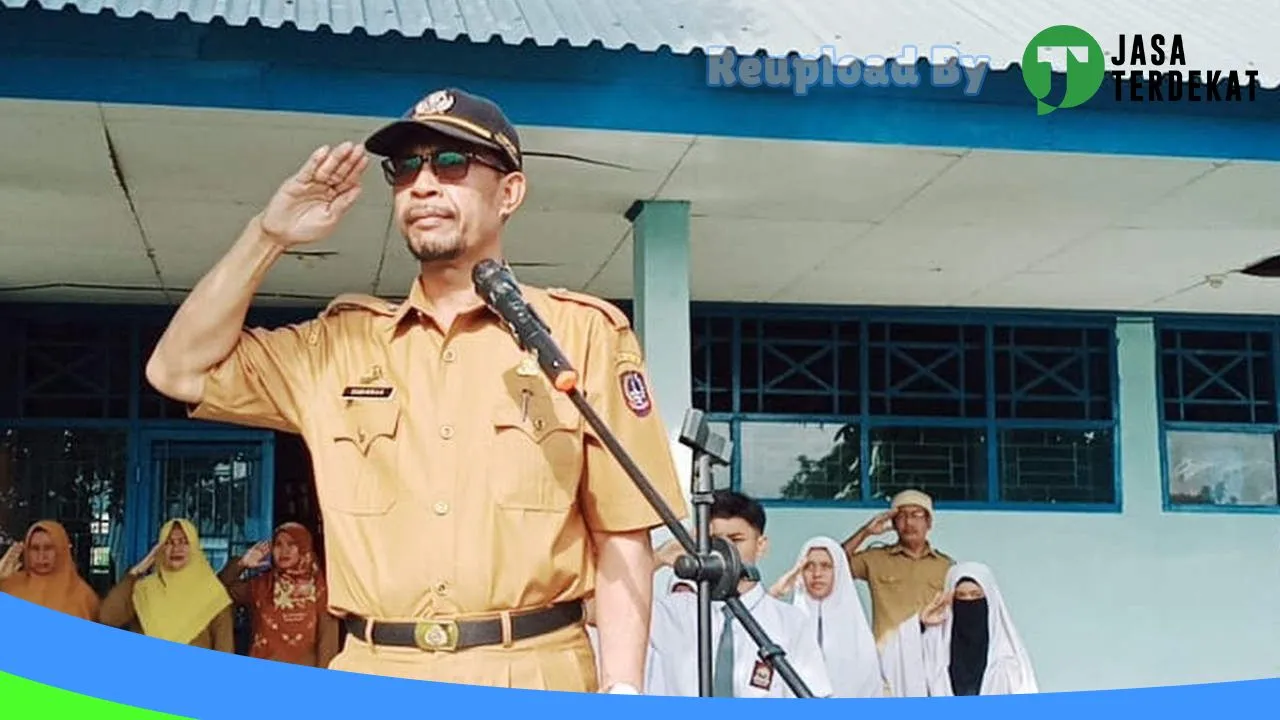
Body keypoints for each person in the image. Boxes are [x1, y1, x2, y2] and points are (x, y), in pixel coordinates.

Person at [143, 87, 687, 693]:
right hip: (377, 669)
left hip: (537, 671)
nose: (423, 184)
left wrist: (623, 689)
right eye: (405, 168)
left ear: (510, 193)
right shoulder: (338, 346)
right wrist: (268, 236)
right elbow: (177, 372)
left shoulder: (581, 335)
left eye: (451, 162)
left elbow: (622, 534)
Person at [647, 490, 833, 698]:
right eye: (714, 541)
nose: (724, 551)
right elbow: (607, 613)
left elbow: (815, 697)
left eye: (736, 540)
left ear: (761, 546)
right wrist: (659, 558)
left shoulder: (791, 623)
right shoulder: (674, 612)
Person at [880, 561, 1037, 696]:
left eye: (976, 595)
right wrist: (920, 623)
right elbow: (891, 660)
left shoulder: (1007, 656)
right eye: (961, 596)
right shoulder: (934, 644)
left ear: (990, 600)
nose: (968, 602)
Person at [768, 536, 882, 698]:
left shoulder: (857, 633)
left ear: (839, 572)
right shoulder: (788, 623)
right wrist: (775, 593)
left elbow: (869, 690)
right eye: (809, 566)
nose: (817, 574)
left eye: (826, 566)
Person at [100, 519, 235, 652]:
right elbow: (108, 618)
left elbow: (225, 648)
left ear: (194, 548)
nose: (176, 548)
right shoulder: (144, 589)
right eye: (169, 542)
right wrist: (136, 572)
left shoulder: (212, 592)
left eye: (184, 542)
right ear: (160, 549)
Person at [219, 522, 341, 667]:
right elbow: (220, 589)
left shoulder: (320, 590)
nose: (284, 550)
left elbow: (328, 643)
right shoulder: (261, 586)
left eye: (291, 544)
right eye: (278, 544)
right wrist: (242, 563)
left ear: (303, 548)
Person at [840, 489, 953, 646]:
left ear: (929, 522)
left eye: (916, 515)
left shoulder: (946, 567)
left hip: (931, 657)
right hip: (886, 657)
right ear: (893, 523)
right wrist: (866, 532)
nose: (909, 522)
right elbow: (832, 564)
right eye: (901, 516)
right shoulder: (875, 559)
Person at [0, 520, 100, 622]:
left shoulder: (83, 596)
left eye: (48, 548)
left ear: (62, 549)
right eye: (35, 548)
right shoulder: (9, 587)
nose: (41, 556)